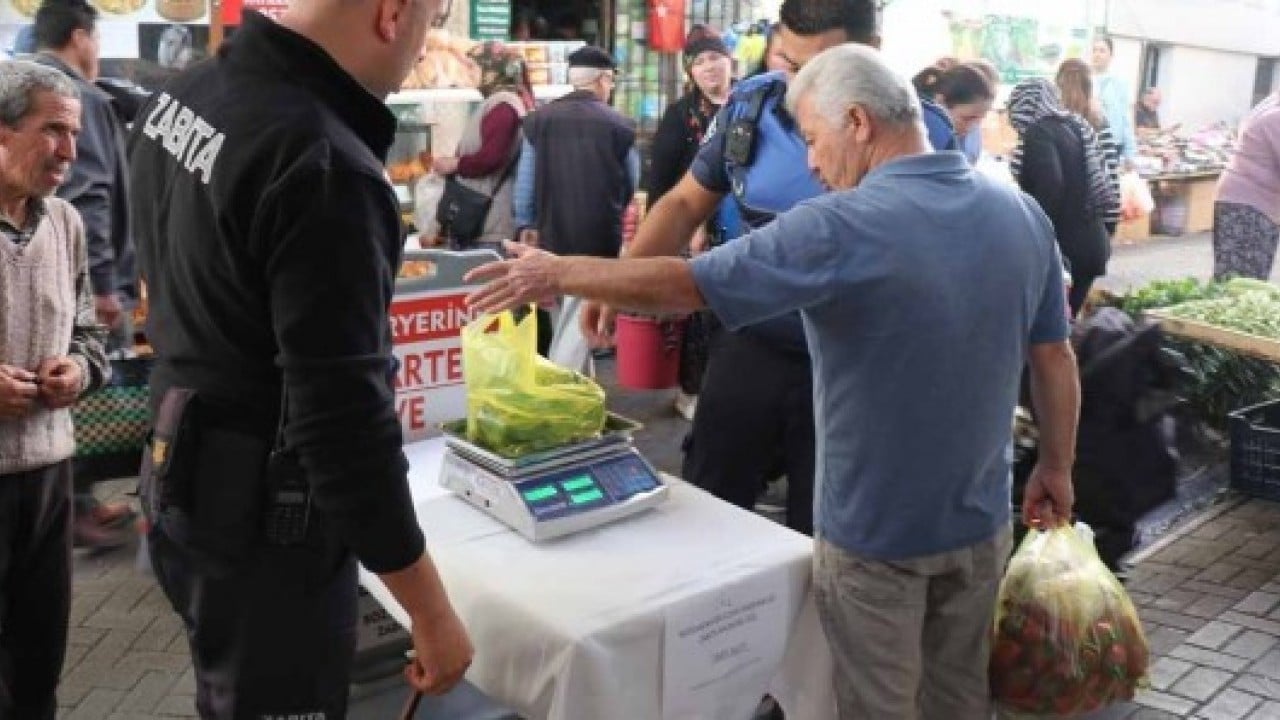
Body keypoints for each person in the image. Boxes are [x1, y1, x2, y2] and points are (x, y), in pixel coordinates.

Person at [464, 42, 1081, 720]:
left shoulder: (841, 226)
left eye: (814, 139)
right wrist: (1055, 466)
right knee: (959, 697)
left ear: (858, 123)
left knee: (876, 706)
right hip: (981, 522)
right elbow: (1055, 357)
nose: (812, 164)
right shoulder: (1019, 215)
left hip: (876, 539)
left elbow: (688, 283)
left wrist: (558, 273)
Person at [126, 3, 474, 717]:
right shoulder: (322, 164)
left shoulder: (186, 94)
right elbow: (342, 428)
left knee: (226, 691)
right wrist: (431, 612)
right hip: (264, 524)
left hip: (180, 470)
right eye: (431, 18)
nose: (425, 41)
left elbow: (158, 268)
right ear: (391, 14)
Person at [584, 0, 954, 536]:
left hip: (854, 370)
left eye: (821, 69)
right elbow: (685, 203)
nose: (801, 88)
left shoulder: (924, 132)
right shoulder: (751, 109)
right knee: (708, 508)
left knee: (823, 534)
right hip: (749, 344)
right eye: (792, 64)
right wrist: (622, 277)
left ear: (870, 53)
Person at [0, 59, 109, 719]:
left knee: (39, 664)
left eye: (75, 133)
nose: (71, 151)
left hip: (48, 480)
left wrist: (80, 369)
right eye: (53, 131)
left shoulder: (65, 223)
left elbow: (91, 333)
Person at [34, 0, 140, 550]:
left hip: (41, 277)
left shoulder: (24, 88)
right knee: (87, 386)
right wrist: (102, 284)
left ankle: (73, 502)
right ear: (81, 36)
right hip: (79, 278)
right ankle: (72, 509)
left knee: (61, 384)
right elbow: (89, 191)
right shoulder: (75, 98)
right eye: (97, 40)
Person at [512, 45, 639, 371]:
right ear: (602, 80)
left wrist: (526, 223)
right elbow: (630, 180)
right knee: (579, 321)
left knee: (565, 318)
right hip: (598, 233)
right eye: (611, 82)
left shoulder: (538, 120)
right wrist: (615, 207)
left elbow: (526, 179)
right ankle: (561, 394)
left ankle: (579, 392)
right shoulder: (619, 125)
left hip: (550, 230)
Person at [648, 25, 733, 419]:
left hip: (744, 224)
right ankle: (691, 390)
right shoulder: (682, 116)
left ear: (730, 60)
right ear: (690, 73)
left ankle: (732, 391)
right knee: (699, 313)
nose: (710, 68)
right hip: (695, 230)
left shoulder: (751, 104)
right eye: (699, 62)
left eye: (715, 57)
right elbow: (661, 183)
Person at [1007, 78, 1119, 317]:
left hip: (1065, 250)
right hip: (1092, 243)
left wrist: (1033, 233)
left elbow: (1050, 187)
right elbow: (1104, 178)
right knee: (1065, 325)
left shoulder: (1039, 132)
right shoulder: (1075, 125)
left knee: (1050, 330)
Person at [431, 41, 533, 253]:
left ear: (492, 70)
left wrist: (455, 165)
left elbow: (491, 157)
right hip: (483, 220)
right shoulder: (502, 101)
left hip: (489, 223)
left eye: (474, 67)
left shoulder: (504, 105)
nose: (469, 73)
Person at [1214, 92, 1280, 279]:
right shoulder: (1275, 117)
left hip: (1250, 202)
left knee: (1245, 275)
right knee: (1241, 278)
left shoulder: (1270, 107)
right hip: (1248, 204)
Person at [1055, 57, 1122, 234]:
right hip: (1091, 222)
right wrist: (1112, 221)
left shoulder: (1049, 123)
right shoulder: (1098, 120)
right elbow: (1110, 173)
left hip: (1057, 222)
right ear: (1089, 88)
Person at [931, 63, 994, 163]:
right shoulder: (926, 141)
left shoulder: (974, 132)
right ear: (940, 103)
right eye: (967, 118)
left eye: (980, 119)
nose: (973, 126)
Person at [1091, 36, 1137, 162]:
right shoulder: (1085, 80)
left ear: (1111, 56)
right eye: (1094, 50)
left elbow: (1126, 117)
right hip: (1089, 141)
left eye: (1102, 51)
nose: (1097, 54)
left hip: (1112, 142)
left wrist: (1130, 152)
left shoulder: (1120, 83)